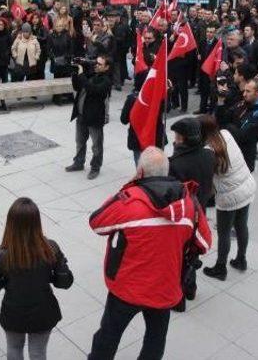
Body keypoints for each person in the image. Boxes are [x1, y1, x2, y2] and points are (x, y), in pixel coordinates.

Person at [88, 147, 208, 359]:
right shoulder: (189, 204)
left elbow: (97, 223)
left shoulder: (130, 201)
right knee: (155, 339)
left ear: (140, 172)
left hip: (127, 287)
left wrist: (128, 186)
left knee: (108, 336)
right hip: (165, 287)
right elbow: (204, 244)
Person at [0, 197, 74, 360]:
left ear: (10, 224)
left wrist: (5, 279)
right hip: (43, 313)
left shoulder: (1, 254)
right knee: (38, 352)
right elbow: (65, 282)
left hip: (13, 312)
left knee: (14, 348)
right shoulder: (50, 247)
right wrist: (49, 276)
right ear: (37, 222)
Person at [200, 115, 256, 280]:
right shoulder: (226, 134)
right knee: (241, 225)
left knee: (224, 232)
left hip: (229, 196)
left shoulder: (208, 151)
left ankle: (220, 267)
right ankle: (241, 259)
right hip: (247, 186)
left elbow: (208, 181)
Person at [65, 55, 112, 180]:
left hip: (94, 117)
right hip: (81, 115)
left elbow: (94, 90)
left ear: (106, 67)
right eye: (96, 62)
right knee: (80, 141)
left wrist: (81, 76)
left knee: (96, 145)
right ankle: (78, 163)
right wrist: (75, 74)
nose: (96, 65)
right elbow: (77, 87)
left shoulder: (106, 81)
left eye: (100, 64)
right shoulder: (91, 74)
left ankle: (95, 167)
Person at [215, 78, 258, 172]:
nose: (244, 94)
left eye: (248, 91)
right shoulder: (242, 103)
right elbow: (222, 120)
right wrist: (221, 101)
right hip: (230, 153)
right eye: (244, 91)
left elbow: (242, 136)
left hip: (244, 159)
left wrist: (227, 127)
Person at [168, 117, 215, 207]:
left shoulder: (174, 164)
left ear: (180, 138)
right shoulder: (209, 154)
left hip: (186, 210)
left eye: (176, 135)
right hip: (202, 206)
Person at [48, 19, 73, 104]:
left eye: (61, 26)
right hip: (56, 61)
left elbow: (71, 48)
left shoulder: (67, 35)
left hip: (66, 60)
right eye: (58, 26)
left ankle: (68, 96)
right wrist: (53, 58)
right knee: (57, 79)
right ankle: (57, 97)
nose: (59, 27)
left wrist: (66, 57)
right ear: (54, 26)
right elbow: (48, 49)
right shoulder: (51, 36)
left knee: (67, 78)